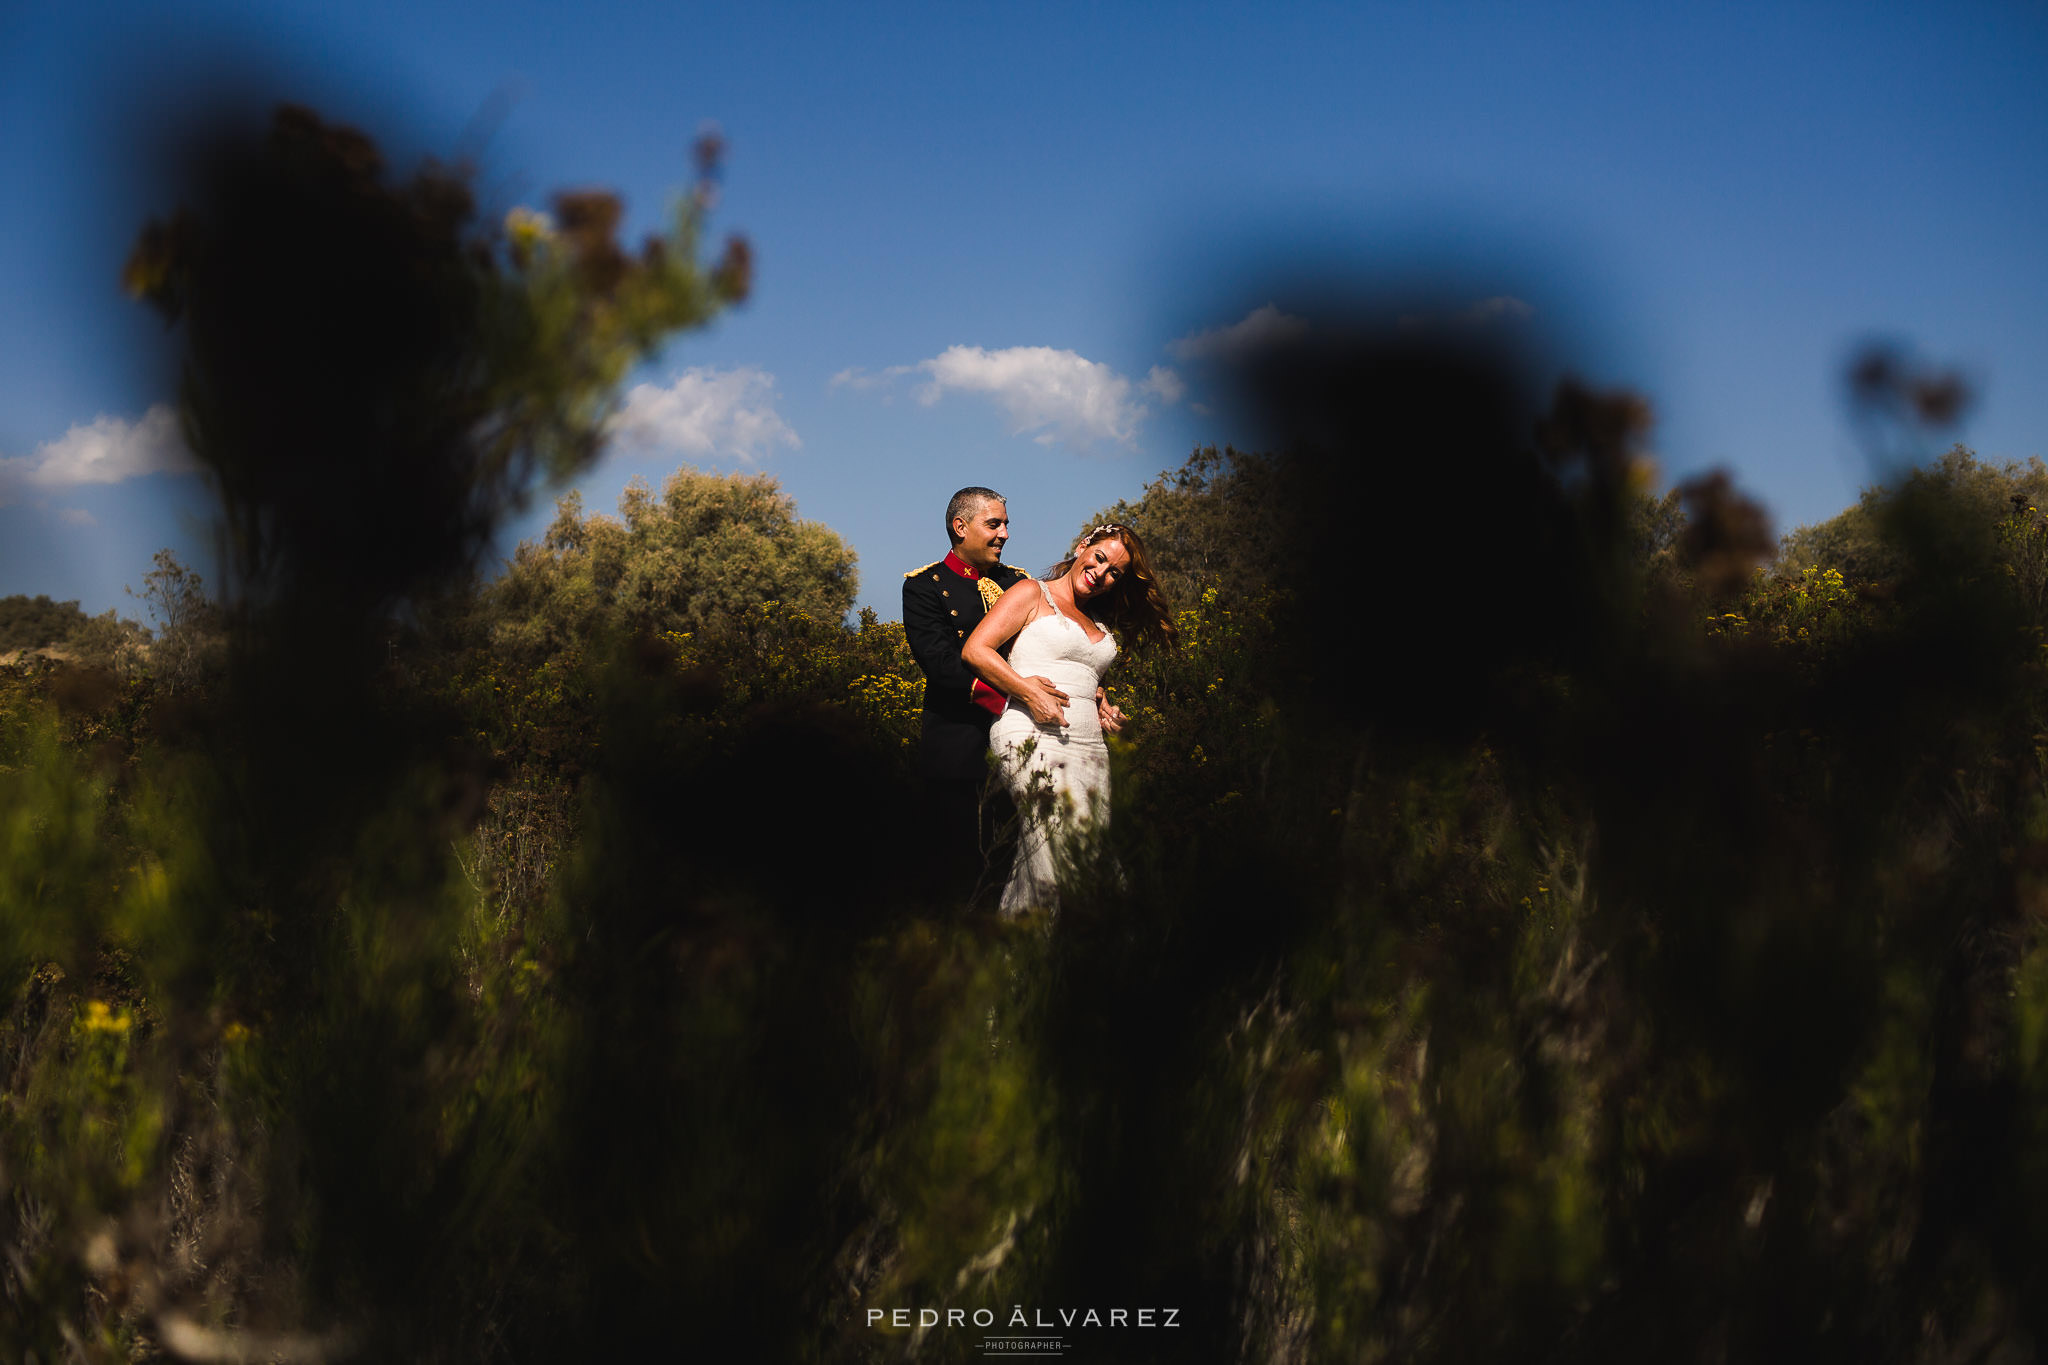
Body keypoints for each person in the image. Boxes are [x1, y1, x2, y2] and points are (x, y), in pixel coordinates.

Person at [962, 523, 1175, 915]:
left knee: (1081, 850)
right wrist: (1027, 692)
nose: (1102, 573)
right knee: (1058, 841)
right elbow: (976, 650)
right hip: (1028, 731)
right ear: (1082, 548)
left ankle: (1024, 960)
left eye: (1115, 573)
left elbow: (1087, 682)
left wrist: (1105, 710)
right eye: (1099, 558)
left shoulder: (1098, 621)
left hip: (1090, 748)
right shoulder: (1031, 593)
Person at [902, 487, 1036, 901]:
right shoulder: (924, 587)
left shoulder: (1019, 583)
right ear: (960, 527)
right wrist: (1015, 700)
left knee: (1018, 862)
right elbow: (943, 667)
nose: (1005, 534)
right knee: (960, 877)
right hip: (961, 752)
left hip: (1027, 745)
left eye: (1006, 525)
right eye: (993, 524)